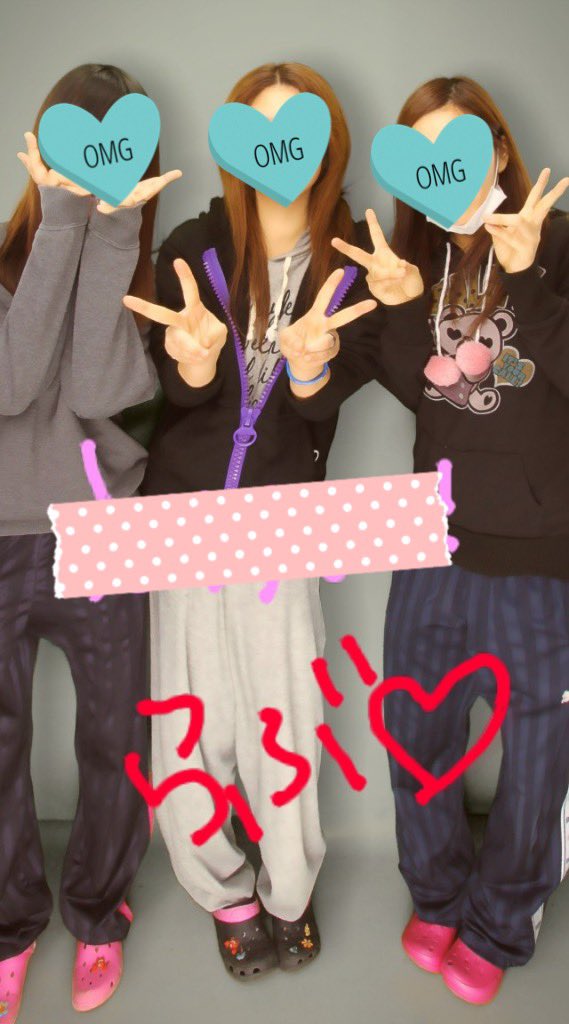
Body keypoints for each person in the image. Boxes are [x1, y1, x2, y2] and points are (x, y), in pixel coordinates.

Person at [309, 75, 569, 1006]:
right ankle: (436, 894)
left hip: (540, 550)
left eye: (459, 146)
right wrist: (390, 310)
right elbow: (423, 390)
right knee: (415, 732)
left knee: (537, 754)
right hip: (433, 538)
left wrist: (530, 276)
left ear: (495, 150)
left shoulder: (557, 243)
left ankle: (501, 921)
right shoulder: (414, 264)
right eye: (422, 156)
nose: (443, 170)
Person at [123, 61, 381, 981]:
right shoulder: (193, 244)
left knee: (286, 714)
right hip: (182, 510)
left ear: (326, 142)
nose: (281, 151)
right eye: (261, 131)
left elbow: (323, 402)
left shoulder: (356, 256)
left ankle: (289, 891)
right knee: (190, 723)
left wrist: (310, 369)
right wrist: (193, 367)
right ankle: (223, 892)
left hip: (283, 512)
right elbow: (164, 387)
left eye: (298, 130)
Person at [0, 63, 180, 1021]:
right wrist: (61, 218)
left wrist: (112, 234)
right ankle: (8, 926)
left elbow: (93, 391)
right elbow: (13, 383)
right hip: (0, 535)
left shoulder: (146, 274)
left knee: (118, 738)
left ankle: (99, 912)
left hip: (105, 532)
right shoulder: (6, 261)